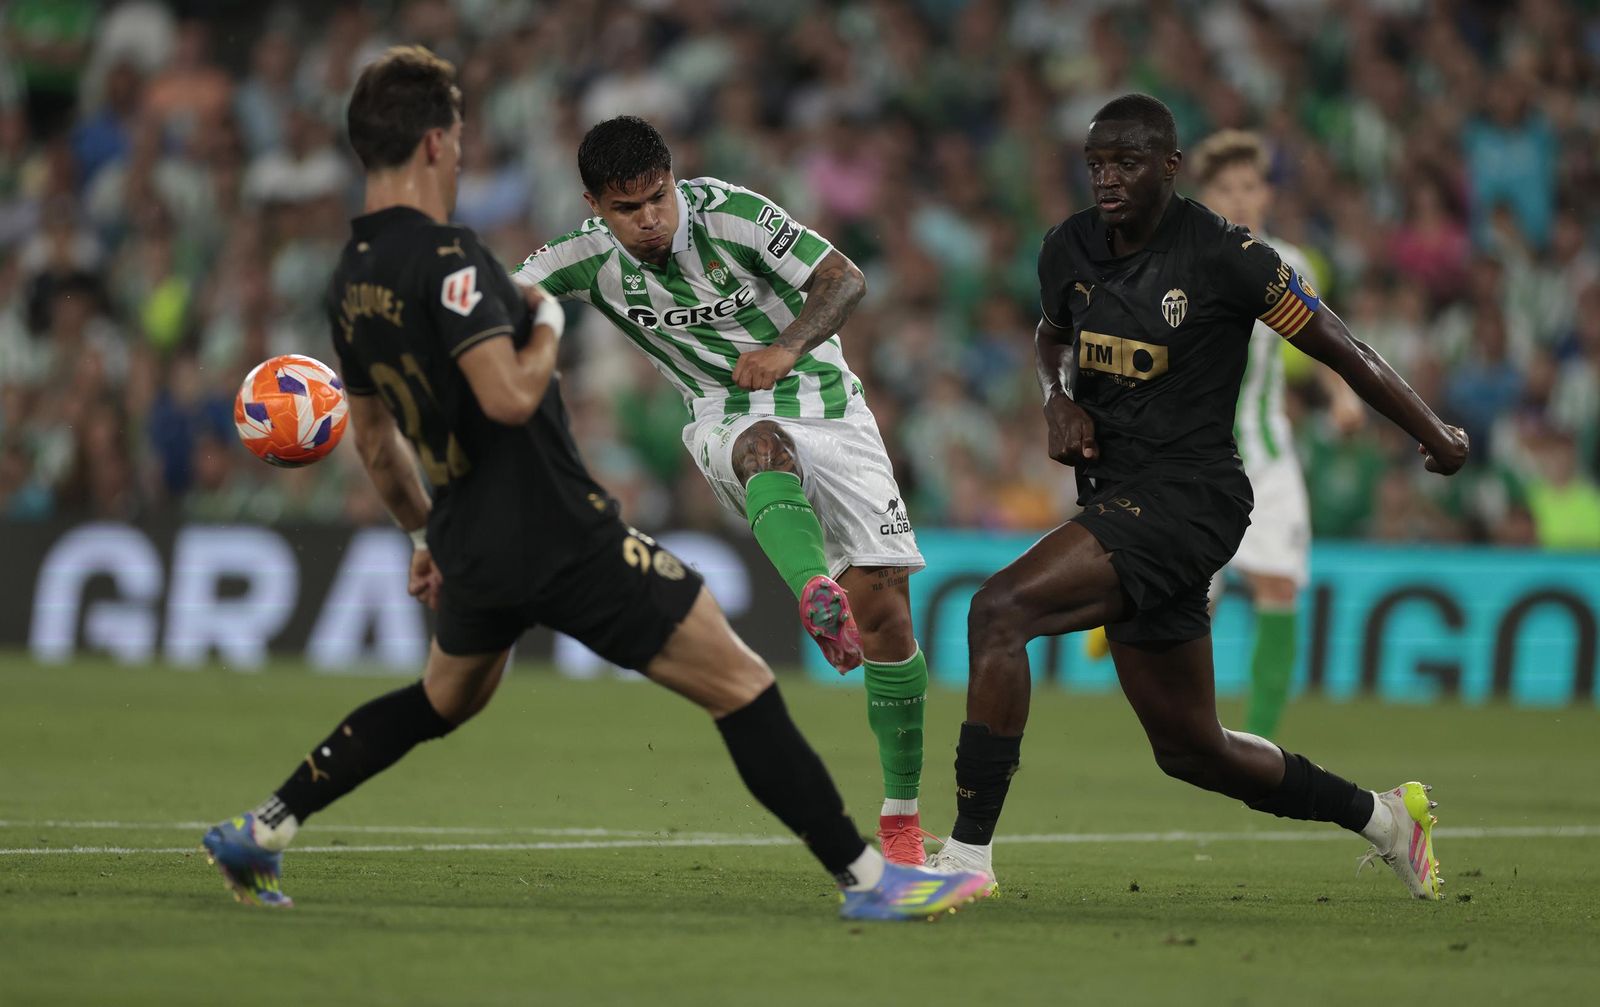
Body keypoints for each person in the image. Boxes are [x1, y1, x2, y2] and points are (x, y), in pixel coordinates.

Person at [200, 46, 991, 922]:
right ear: (433, 145)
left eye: (658, 198)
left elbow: (378, 444)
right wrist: (540, 328)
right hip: (556, 525)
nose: (463, 152)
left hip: (468, 531)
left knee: (440, 699)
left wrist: (423, 538)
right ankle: (873, 880)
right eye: (457, 136)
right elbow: (508, 387)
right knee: (741, 682)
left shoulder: (348, 281)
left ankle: (264, 824)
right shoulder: (459, 259)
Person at [925, 95, 1468, 901]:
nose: (1107, 178)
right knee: (1191, 749)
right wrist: (1055, 397)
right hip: (1120, 499)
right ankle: (1388, 818)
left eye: (1127, 162)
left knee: (998, 611)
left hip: (1191, 497)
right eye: (1097, 164)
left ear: (1171, 166)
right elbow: (1050, 333)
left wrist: (1433, 430)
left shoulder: (1229, 256)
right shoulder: (1067, 246)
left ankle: (966, 860)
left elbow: (1342, 346)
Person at [512, 117, 933, 864]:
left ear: (674, 178)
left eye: (656, 198)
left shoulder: (732, 214)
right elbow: (504, 303)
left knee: (890, 615)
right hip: (723, 411)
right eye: (625, 208)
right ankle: (813, 591)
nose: (647, 220)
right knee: (757, 448)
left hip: (828, 400)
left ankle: (901, 820)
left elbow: (844, 277)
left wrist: (787, 347)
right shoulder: (580, 257)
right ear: (593, 204)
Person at [1091, 129, 1366, 740]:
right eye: (1225, 188)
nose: (1240, 198)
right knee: (1179, 597)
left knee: (1278, 584)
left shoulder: (1291, 264)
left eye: (1250, 186)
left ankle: (1261, 744)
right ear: (1204, 194)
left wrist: (1345, 395)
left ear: (1267, 193)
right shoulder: (1174, 262)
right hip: (1191, 456)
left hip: (1266, 456)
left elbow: (1324, 345)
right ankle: (1153, 671)